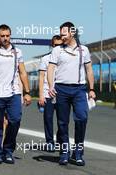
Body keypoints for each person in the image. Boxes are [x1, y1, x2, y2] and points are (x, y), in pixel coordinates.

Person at [47, 22, 96, 166]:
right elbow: (50, 69)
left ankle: (78, 152)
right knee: (62, 123)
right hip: (61, 89)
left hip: (79, 90)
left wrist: (92, 89)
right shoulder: (57, 51)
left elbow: (89, 70)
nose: (62, 36)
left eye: (64, 33)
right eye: (60, 33)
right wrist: (51, 86)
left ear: (72, 33)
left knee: (82, 118)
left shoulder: (84, 50)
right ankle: (64, 152)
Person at [0, 24, 32, 164]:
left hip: (14, 93)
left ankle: (8, 150)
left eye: (7, 36)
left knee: (15, 120)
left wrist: (27, 92)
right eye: (2, 36)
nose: (5, 38)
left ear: (10, 36)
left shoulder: (18, 52)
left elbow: (22, 72)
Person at [38, 35, 63, 151]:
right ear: (52, 45)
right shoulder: (45, 59)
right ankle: (49, 142)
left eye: (60, 45)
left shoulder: (65, 58)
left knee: (62, 120)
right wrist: (41, 95)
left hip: (62, 94)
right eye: (56, 45)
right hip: (48, 94)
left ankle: (59, 141)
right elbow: (41, 77)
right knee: (48, 118)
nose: (58, 47)